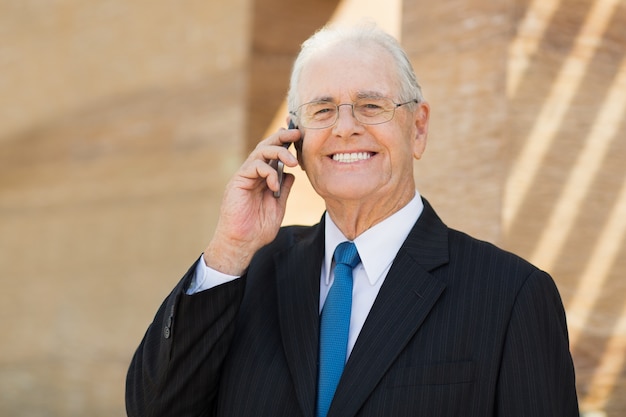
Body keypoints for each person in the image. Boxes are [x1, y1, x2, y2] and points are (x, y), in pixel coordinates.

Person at [125, 23, 579, 417]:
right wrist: (230, 247)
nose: (345, 127)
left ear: (417, 128)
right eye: (322, 110)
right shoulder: (247, 273)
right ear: (294, 140)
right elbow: (157, 409)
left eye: (372, 105)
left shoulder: (512, 295)